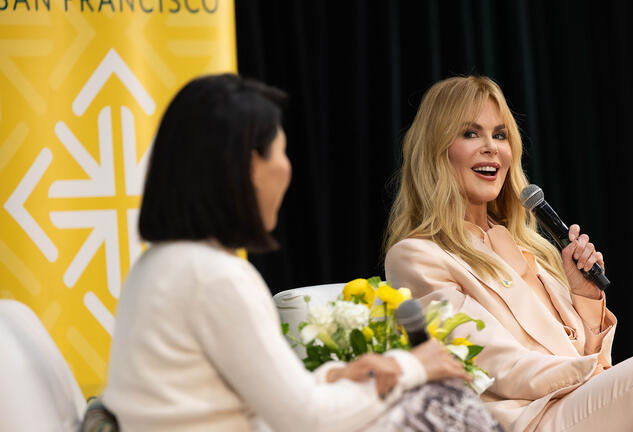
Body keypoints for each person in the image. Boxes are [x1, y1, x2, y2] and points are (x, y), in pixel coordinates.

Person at [102, 74, 501, 432]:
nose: (287, 169)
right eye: (280, 152)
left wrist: (336, 376)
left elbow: (254, 398)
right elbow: (307, 420)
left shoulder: (157, 265)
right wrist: (413, 366)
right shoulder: (216, 277)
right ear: (249, 167)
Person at [384, 75, 633, 431]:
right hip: (529, 419)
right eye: (470, 133)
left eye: (499, 135)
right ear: (436, 151)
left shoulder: (528, 250)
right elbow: (495, 365)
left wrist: (584, 297)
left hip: (577, 407)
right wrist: (596, 376)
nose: (491, 147)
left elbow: (589, 355)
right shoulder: (416, 256)